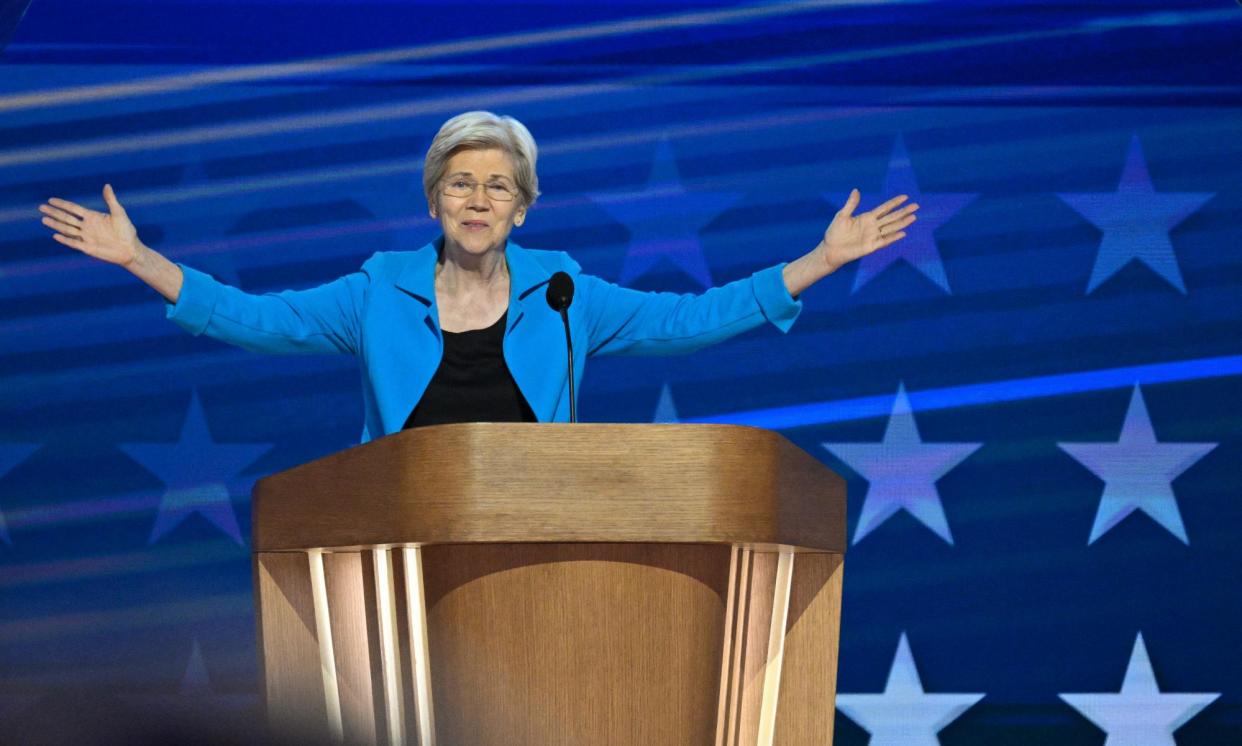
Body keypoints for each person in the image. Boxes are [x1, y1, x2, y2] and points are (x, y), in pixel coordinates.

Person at [38, 111, 918, 442]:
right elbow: (253, 318)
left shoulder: (566, 294)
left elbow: (689, 318)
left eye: (498, 186)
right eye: (460, 183)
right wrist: (139, 258)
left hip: (537, 537)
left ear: (523, 210)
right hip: (401, 540)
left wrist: (820, 262)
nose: (478, 198)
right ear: (432, 202)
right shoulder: (375, 293)